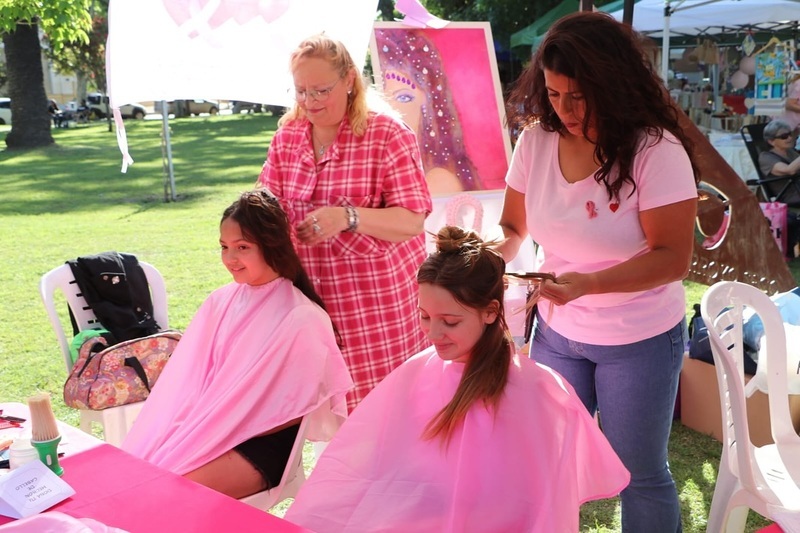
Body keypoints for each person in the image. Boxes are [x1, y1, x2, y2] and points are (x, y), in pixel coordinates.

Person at [285, 226, 630, 532]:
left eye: (449, 321)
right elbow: (373, 473)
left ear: (491, 312)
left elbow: (539, 506)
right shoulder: (417, 373)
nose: (433, 334)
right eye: (424, 316)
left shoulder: (537, 390)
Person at [496, 12, 698, 533]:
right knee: (554, 463)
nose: (565, 110)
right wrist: (481, 258)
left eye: (578, 97)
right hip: (560, 334)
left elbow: (673, 257)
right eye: (554, 94)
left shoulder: (656, 149)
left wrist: (588, 285)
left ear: (613, 83)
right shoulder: (535, 142)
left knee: (638, 473)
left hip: (640, 337)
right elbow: (513, 228)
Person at [122, 189, 353, 499]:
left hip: (261, 443)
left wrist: (226, 426)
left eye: (242, 247)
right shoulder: (221, 301)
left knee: (165, 493)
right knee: (135, 477)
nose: (230, 259)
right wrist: (196, 427)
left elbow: (297, 408)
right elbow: (192, 382)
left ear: (271, 246)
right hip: (207, 426)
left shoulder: (301, 317)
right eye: (224, 247)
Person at [257, 33, 432, 412]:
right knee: (327, 419)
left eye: (321, 91)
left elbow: (412, 220)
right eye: (301, 91)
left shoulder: (387, 135)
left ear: (350, 79)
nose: (310, 102)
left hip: (377, 311)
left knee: (385, 417)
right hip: (312, 308)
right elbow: (265, 209)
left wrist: (348, 217)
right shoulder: (287, 137)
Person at [373, 28, 481, 193]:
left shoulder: (438, 181)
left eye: (403, 98)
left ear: (428, 107)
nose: (390, 111)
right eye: (382, 101)